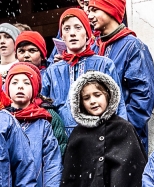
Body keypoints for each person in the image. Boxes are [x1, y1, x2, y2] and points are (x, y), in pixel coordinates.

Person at [88, 0, 154, 148]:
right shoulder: (93, 48)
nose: (89, 15)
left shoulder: (133, 47)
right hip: (96, 138)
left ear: (110, 10)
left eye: (94, 9)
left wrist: (122, 128)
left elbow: (144, 95)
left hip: (124, 139)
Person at [41, 9, 120, 137]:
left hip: (99, 134)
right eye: (66, 29)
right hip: (63, 137)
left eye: (78, 27)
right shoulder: (52, 70)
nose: (72, 33)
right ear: (62, 36)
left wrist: (118, 136)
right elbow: (43, 107)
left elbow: (117, 103)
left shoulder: (104, 64)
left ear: (87, 33)